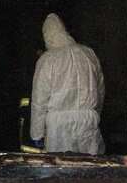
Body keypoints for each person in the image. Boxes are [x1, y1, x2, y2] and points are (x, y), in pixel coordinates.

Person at [29, 13, 106, 154]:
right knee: (89, 170)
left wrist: (37, 133)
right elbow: (100, 90)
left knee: (61, 169)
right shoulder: (88, 54)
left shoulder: (48, 60)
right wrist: (94, 113)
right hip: (87, 121)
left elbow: (39, 100)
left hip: (58, 129)